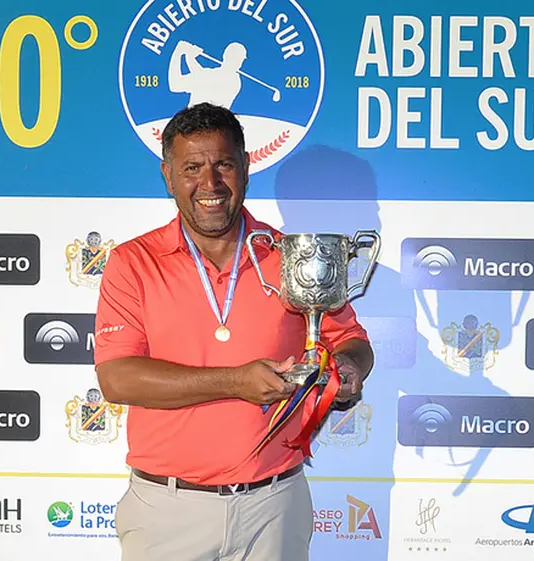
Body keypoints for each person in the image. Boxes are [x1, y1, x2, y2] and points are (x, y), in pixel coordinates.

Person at [93, 102, 374, 561]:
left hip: (274, 508)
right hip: (167, 511)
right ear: (168, 175)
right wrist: (234, 381)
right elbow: (117, 379)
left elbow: (350, 339)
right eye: (192, 167)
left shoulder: (292, 256)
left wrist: (348, 366)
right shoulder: (133, 263)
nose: (210, 184)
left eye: (223, 164)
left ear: (246, 168)